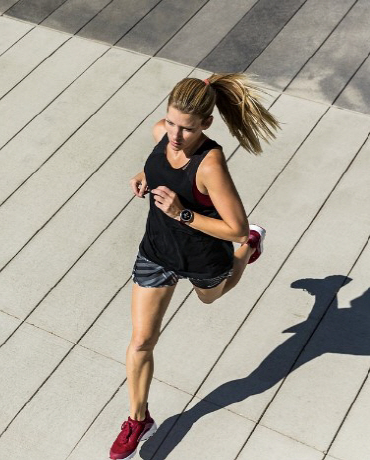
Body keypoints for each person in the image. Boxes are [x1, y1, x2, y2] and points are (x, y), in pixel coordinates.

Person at [109, 74, 280, 460]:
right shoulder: (161, 134)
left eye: (186, 128)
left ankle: (252, 248)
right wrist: (143, 176)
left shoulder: (210, 164)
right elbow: (158, 164)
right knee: (140, 342)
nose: (174, 134)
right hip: (156, 251)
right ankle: (138, 418)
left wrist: (182, 212)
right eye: (171, 122)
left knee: (211, 297)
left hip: (203, 255)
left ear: (206, 124)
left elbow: (233, 226)